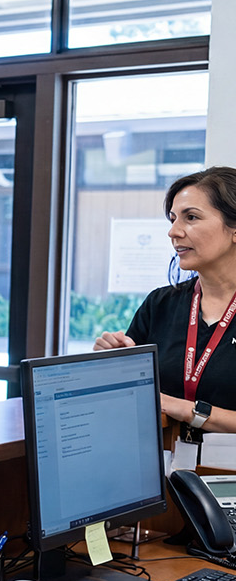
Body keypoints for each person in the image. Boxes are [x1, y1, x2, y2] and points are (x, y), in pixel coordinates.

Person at [94, 167, 236, 446]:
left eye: (191, 217)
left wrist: (187, 410)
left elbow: (172, 405)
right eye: (172, 219)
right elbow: (125, 401)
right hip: (163, 473)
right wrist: (113, 366)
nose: (173, 232)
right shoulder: (159, 304)